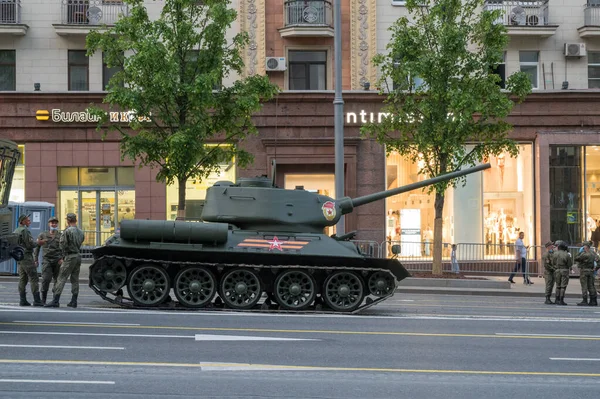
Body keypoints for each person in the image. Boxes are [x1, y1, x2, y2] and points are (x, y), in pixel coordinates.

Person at [45, 213, 85, 308]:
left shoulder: (67, 231)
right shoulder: (80, 232)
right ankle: (74, 300)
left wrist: (63, 256)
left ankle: (56, 300)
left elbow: (62, 245)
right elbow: (81, 241)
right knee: (75, 279)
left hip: (69, 257)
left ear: (68, 221)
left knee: (61, 278)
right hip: (77, 256)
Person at [14, 214, 43, 306]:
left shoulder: (16, 230)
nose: (29, 222)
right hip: (27, 257)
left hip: (20, 257)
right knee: (34, 278)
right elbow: (29, 244)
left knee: (23, 279)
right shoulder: (24, 231)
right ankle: (37, 300)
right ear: (22, 221)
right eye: (28, 221)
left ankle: (22, 300)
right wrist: (38, 243)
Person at [33, 216, 63, 305]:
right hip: (47, 260)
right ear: (49, 224)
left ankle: (55, 300)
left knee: (57, 281)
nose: (53, 224)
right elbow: (37, 248)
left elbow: (65, 248)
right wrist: (35, 260)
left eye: (55, 223)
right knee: (46, 279)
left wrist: (63, 258)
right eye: (52, 223)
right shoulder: (43, 235)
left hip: (58, 260)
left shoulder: (61, 235)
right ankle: (43, 300)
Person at [574, 242, 599, 306]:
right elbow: (598, 261)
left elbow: (576, 258)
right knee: (591, 286)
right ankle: (593, 300)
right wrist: (596, 268)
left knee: (584, 286)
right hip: (591, 271)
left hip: (584, 271)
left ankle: (584, 300)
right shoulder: (593, 253)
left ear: (585, 247)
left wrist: (580, 252)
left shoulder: (584, 254)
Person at [552, 240, 573, 306]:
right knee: (563, 286)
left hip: (557, 270)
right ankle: (561, 300)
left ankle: (556, 299)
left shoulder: (555, 254)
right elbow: (570, 264)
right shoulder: (566, 254)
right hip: (564, 270)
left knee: (558, 285)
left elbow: (553, 262)